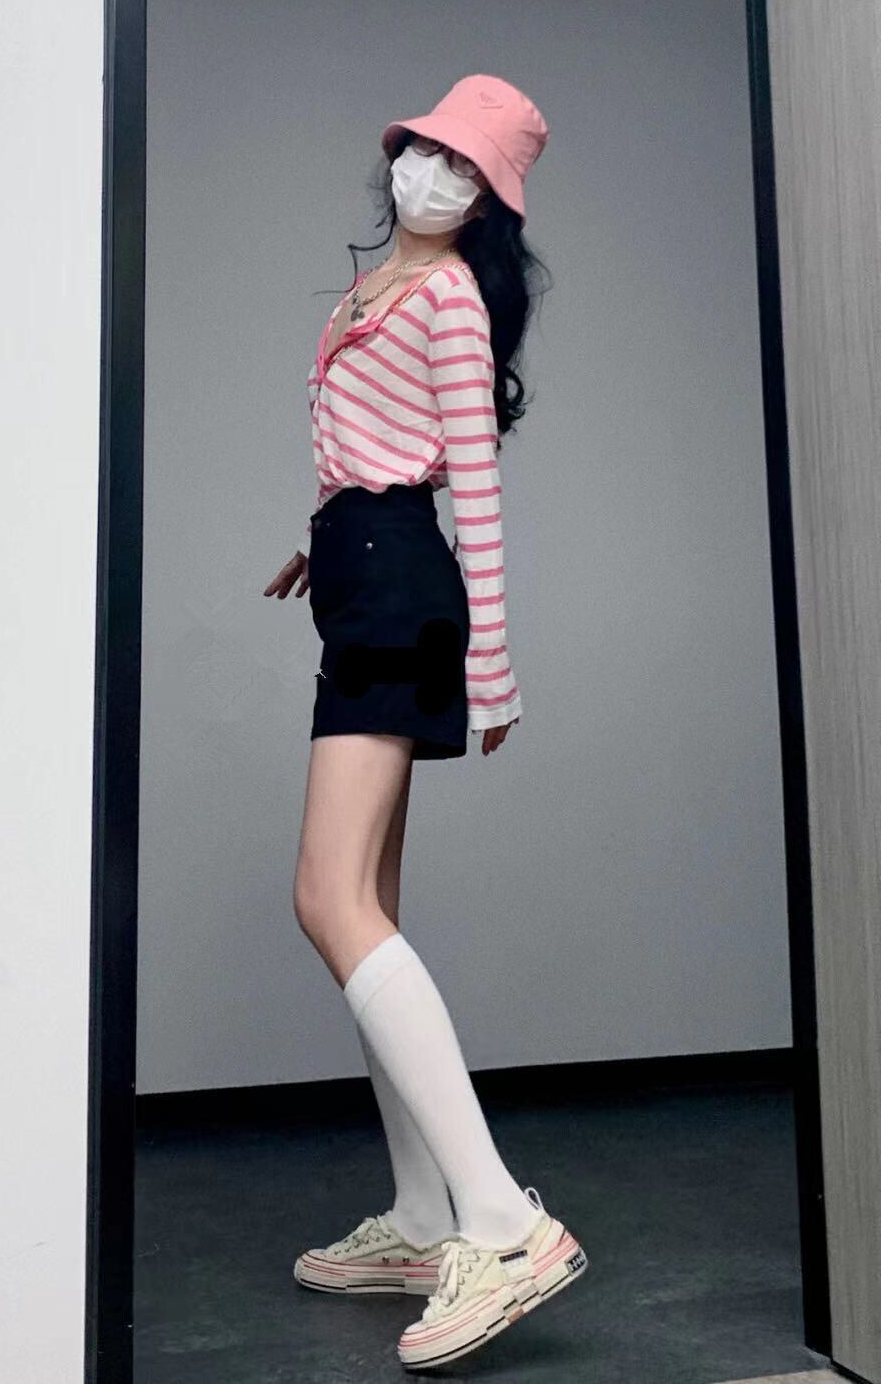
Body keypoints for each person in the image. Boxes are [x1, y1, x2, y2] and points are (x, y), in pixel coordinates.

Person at [263, 73, 587, 1370]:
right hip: (365, 573)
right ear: (399, 151)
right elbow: (369, 447)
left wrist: (493, 665)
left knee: (326, 899)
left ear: (488, 204)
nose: (433, 174)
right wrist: (324, 543)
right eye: (427, 149)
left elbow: (473, 486)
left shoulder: (449, 299)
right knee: (368, 911)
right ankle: (417, 1218)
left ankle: (502, 1222)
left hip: (402, 589)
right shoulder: (379, 287)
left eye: (465, 167)